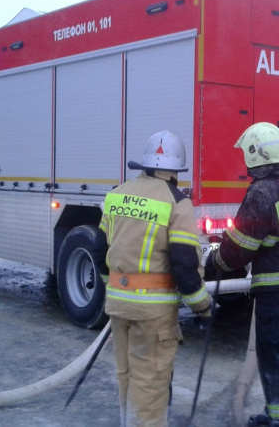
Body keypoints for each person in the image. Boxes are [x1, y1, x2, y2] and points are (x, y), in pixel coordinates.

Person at [93, 130, 212, 426]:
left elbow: (101, 248)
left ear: (145, 164)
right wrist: (203, 307)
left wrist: (114, 289)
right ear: (176, 170)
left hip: (119, 306)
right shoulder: (177, 202)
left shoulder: (117, 193)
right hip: (154, 313)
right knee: (150, 387)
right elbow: (185, 264)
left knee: (127, 377)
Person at [206, 122, 279, 427]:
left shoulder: (261, 193)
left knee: (276, 356)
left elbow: (238, 250)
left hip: (278, 290)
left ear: (256, 155)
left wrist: (216, 260)